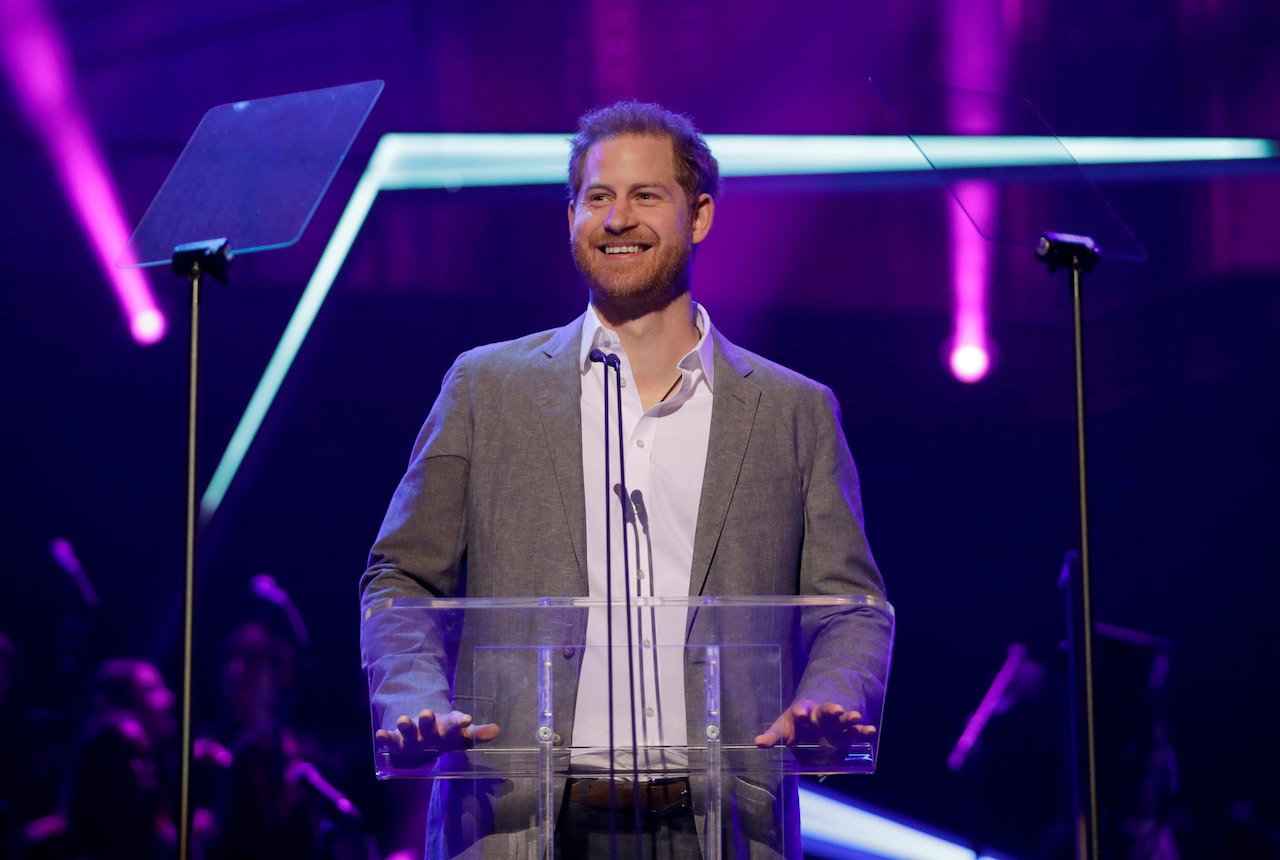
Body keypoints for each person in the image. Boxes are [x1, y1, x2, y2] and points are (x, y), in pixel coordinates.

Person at [360, 100, 893, 858]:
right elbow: (401, 577)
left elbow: (852, 607)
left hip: (719, 823)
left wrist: (828, 700)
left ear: (700, 215)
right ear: (570, 215)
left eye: (646, 196)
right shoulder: (486, 387)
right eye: (598, 198)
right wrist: (413, 699)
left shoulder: (793, 411)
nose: (617, 219)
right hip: (524, 820)